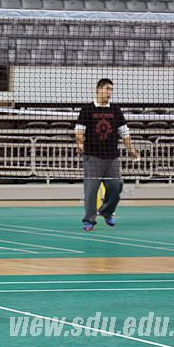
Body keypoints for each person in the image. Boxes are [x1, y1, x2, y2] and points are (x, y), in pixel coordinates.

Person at [74, 78, 139, 232]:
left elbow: (124, 132)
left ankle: (106, 211)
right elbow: (79, 131)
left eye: (111, 89)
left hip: (112, 157)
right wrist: (80, 144)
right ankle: (89, 220)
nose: (109, 92)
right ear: (98, 90)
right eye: (107, 89)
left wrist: (131, 149)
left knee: (117, 186)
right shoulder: (87, 109)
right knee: (91, 191)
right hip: (92, 157)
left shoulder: (115, 110)